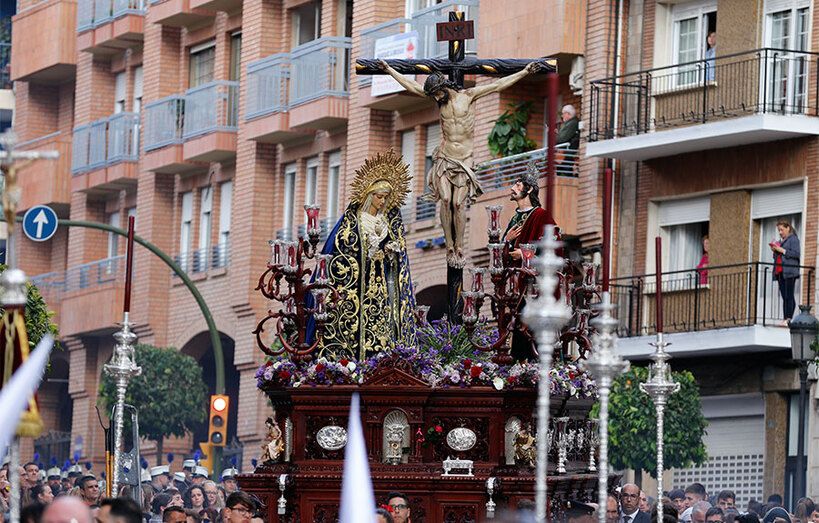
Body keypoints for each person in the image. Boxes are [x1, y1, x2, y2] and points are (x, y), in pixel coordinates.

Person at [378, 59, 543, 268]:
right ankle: (449, 246)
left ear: (444, 87)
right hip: (445, 158)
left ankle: (459, 246)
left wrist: (525, 71)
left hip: (464, 160)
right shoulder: (439, 101)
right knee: (446, 199)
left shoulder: (469, 96)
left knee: (458, 203)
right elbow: (412, 86)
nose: (437, 98)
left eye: (438, 93)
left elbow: (498, 85)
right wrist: (389, 70)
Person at [313, 150, 416, 359]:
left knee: (387, 320)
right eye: (379, 197)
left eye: (386, 198)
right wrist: (367, 248)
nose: (382, 201)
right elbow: (342, 248)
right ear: (369, 196)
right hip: (359, 285)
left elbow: (399, 256)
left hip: (384, 286)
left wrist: (392, 251)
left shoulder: (388, 222)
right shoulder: (354, 221)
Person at [502, 160, 551, 360]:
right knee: (516, 322)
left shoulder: (541, 216)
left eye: (518, 185)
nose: (512, 188)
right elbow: (502, 251)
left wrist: (524, 254)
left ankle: (533, 359)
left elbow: (551, 247)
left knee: (529, 325)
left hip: (533, 285)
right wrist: (507, 241)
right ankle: (519, 360)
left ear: (529, 189)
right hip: (515, 283)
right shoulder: (514, 219)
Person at [770, 220, 800, 324]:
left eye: (781, 230)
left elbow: (796, 254)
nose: (780, 232)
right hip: (780, 272)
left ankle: (788, 319)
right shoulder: (781, 241)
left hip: (789, 271)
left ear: (788, 228)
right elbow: (777, 257)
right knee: (784, 296)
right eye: (779, 230)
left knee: (789, 295)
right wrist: (775, 251)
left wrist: (782, 250)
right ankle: (785, 319)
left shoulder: (793, 239)